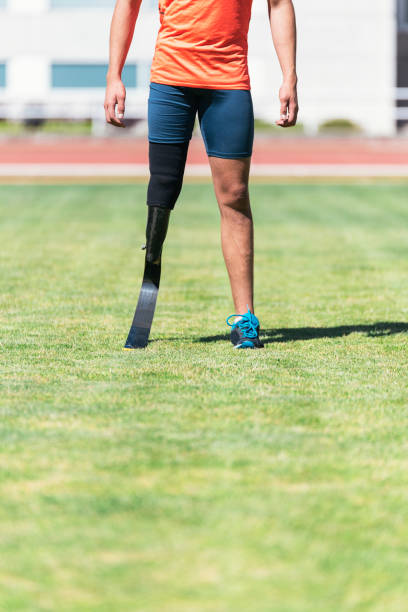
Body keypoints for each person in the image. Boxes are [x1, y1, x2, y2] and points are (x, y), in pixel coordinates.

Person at [105, 0, 298, 349]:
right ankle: (147, 297)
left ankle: (245, 320)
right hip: (170, 82)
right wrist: (113, 74)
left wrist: (289, 75)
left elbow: (279, 4)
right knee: (161, 193)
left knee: (235, 194)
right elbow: (127, 5)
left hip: (228, 83)